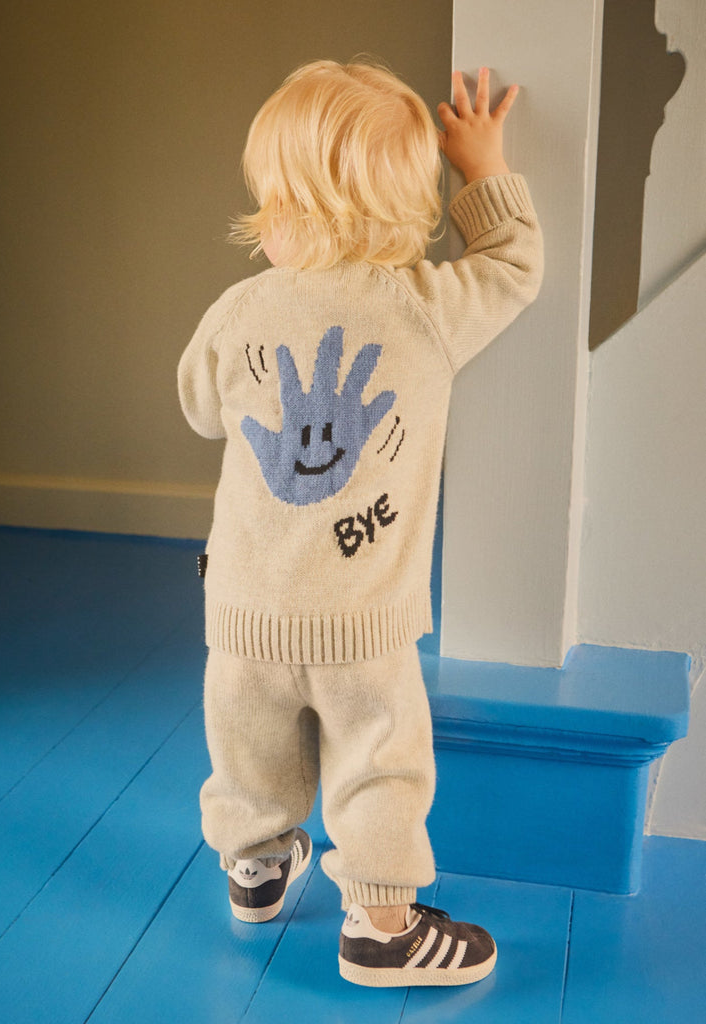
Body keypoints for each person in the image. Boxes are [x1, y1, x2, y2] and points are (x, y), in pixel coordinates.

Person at [177, 58, 543, 988]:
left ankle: (255, 868)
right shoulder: (424, 307)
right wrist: (483, 167)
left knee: (246, 752)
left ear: (282, 206)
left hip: (244, 616)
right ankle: (381, 929)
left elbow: (199, 410)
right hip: (364, 627)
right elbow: (514, 267)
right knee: (380, 768)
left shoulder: (238, 311)